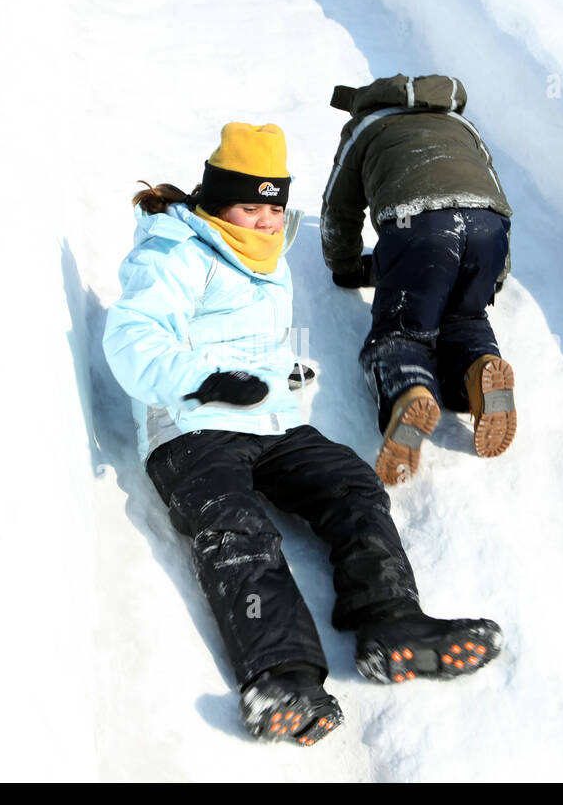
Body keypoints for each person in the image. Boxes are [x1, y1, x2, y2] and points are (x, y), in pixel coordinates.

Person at [103, 122, 503, 747]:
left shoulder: (269, 253)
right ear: (216, 201)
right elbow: (131, 340)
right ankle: (281, 678)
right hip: (189, 427)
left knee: (351, 484)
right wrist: (207, 380)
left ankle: (390, 623)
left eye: (274, 207)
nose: (265, 222)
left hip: (272, 419)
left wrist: (281, 374)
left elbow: (257, 339)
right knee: (239, 529)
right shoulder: (175, 252)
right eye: (250, 206)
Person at [320, 73, 518, 486]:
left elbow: (339, 208)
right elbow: (496, 195)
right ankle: (481, 366)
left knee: (401, 333)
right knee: (465, 317)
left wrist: (344, 265)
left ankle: (410, 391)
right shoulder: (462, 125)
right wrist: (497, 272)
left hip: (420, 225)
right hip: (487, 227)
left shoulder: (365, 126)